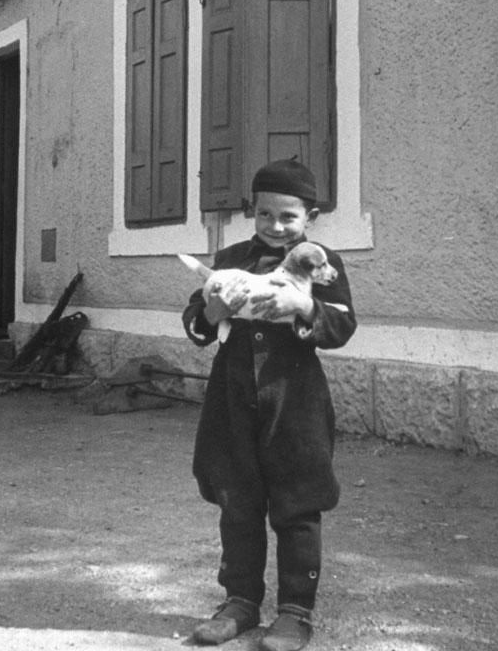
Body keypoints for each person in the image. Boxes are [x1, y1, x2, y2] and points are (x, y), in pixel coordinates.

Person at [182, 158, 356, 651]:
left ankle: (295, 612)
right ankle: (239, 603)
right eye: (264, 215)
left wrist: (304, 307)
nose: (275, 227)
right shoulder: (231, 255)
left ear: (310, 218)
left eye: (288, 218)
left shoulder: (323, 263)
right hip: (233, 399)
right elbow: (198, 322)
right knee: (237, 498)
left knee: (297, 501)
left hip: (293, 401)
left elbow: (343, 325)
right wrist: (213, 308)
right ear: (251, 213)